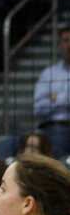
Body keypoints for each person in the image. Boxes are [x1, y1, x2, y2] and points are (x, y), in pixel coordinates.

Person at [33, 26, 70, 158]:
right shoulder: (49, 74)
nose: (69, 45)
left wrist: (53, 98)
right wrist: (62, 101)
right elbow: (38, 108)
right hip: (54, 128)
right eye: (66, 40)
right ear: (60, 44)